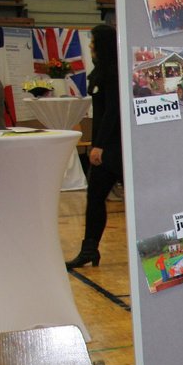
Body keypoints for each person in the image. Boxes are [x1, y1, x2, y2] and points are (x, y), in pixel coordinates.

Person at [66, 24, 122, 269]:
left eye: (93, 41)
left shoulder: (114, 72)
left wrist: (99, 146)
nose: (90, 46)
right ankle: (89, 249)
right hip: (106, 145)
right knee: (95, 196)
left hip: (115, 147)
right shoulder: (101, 71)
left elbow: (112, 112)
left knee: (109, 196)